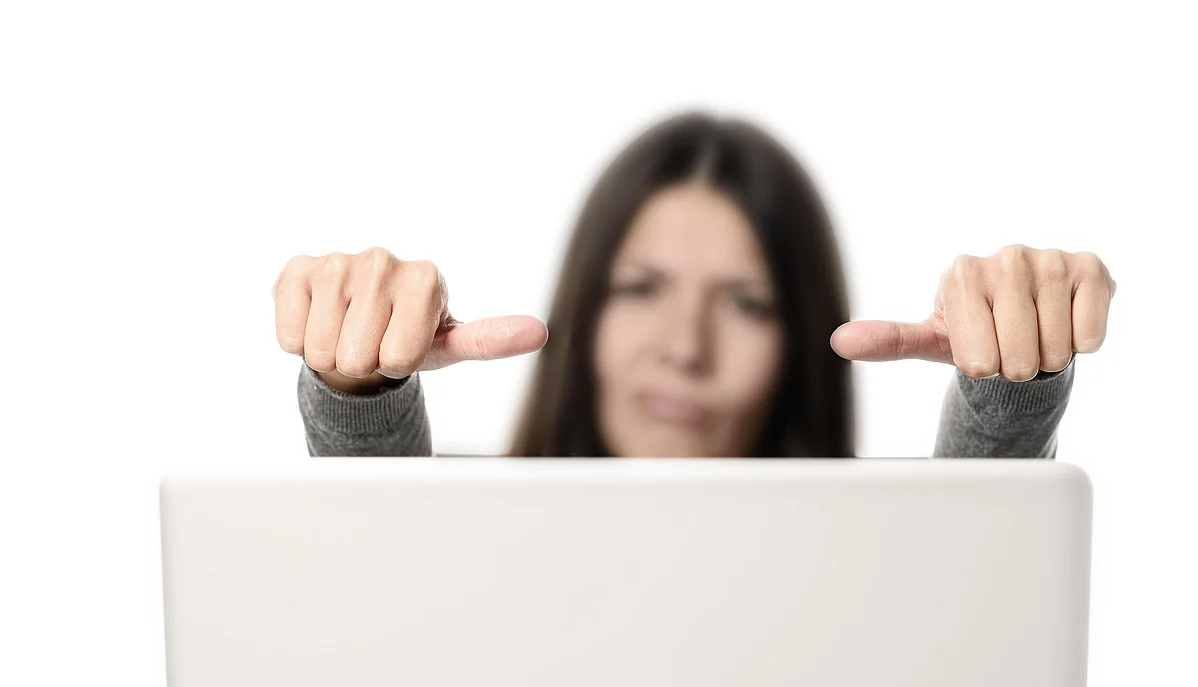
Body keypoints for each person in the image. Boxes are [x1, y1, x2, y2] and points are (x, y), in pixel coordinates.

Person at [270, 112, 1115, 459]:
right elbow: (381, 603)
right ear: (584, 310)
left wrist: (1014, 387)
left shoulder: (873, 601)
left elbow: (969, 629)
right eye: (641, 289)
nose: (685, 348)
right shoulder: (459, 565)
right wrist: (360, 390)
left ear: (800, 341)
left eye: (747, 304)